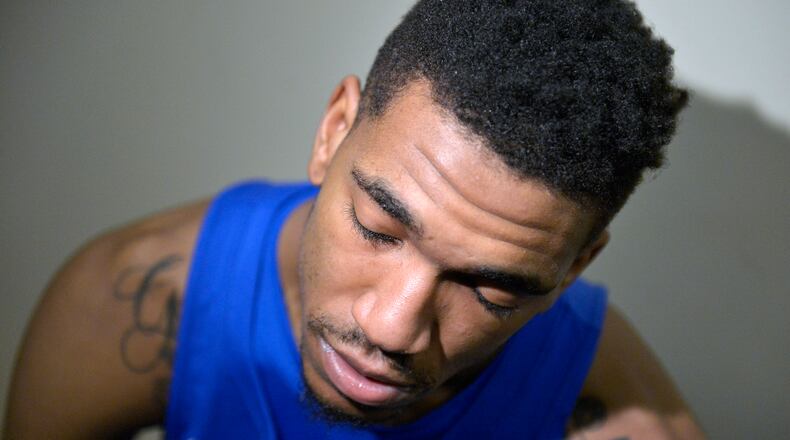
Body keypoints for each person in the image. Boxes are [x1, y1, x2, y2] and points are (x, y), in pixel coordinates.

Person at [4, 0, 707, 438]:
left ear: (574, 268)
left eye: (491, 289)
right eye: (378, 228)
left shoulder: (613, 406)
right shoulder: (137, 299)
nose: (392, 328)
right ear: (333, 132)